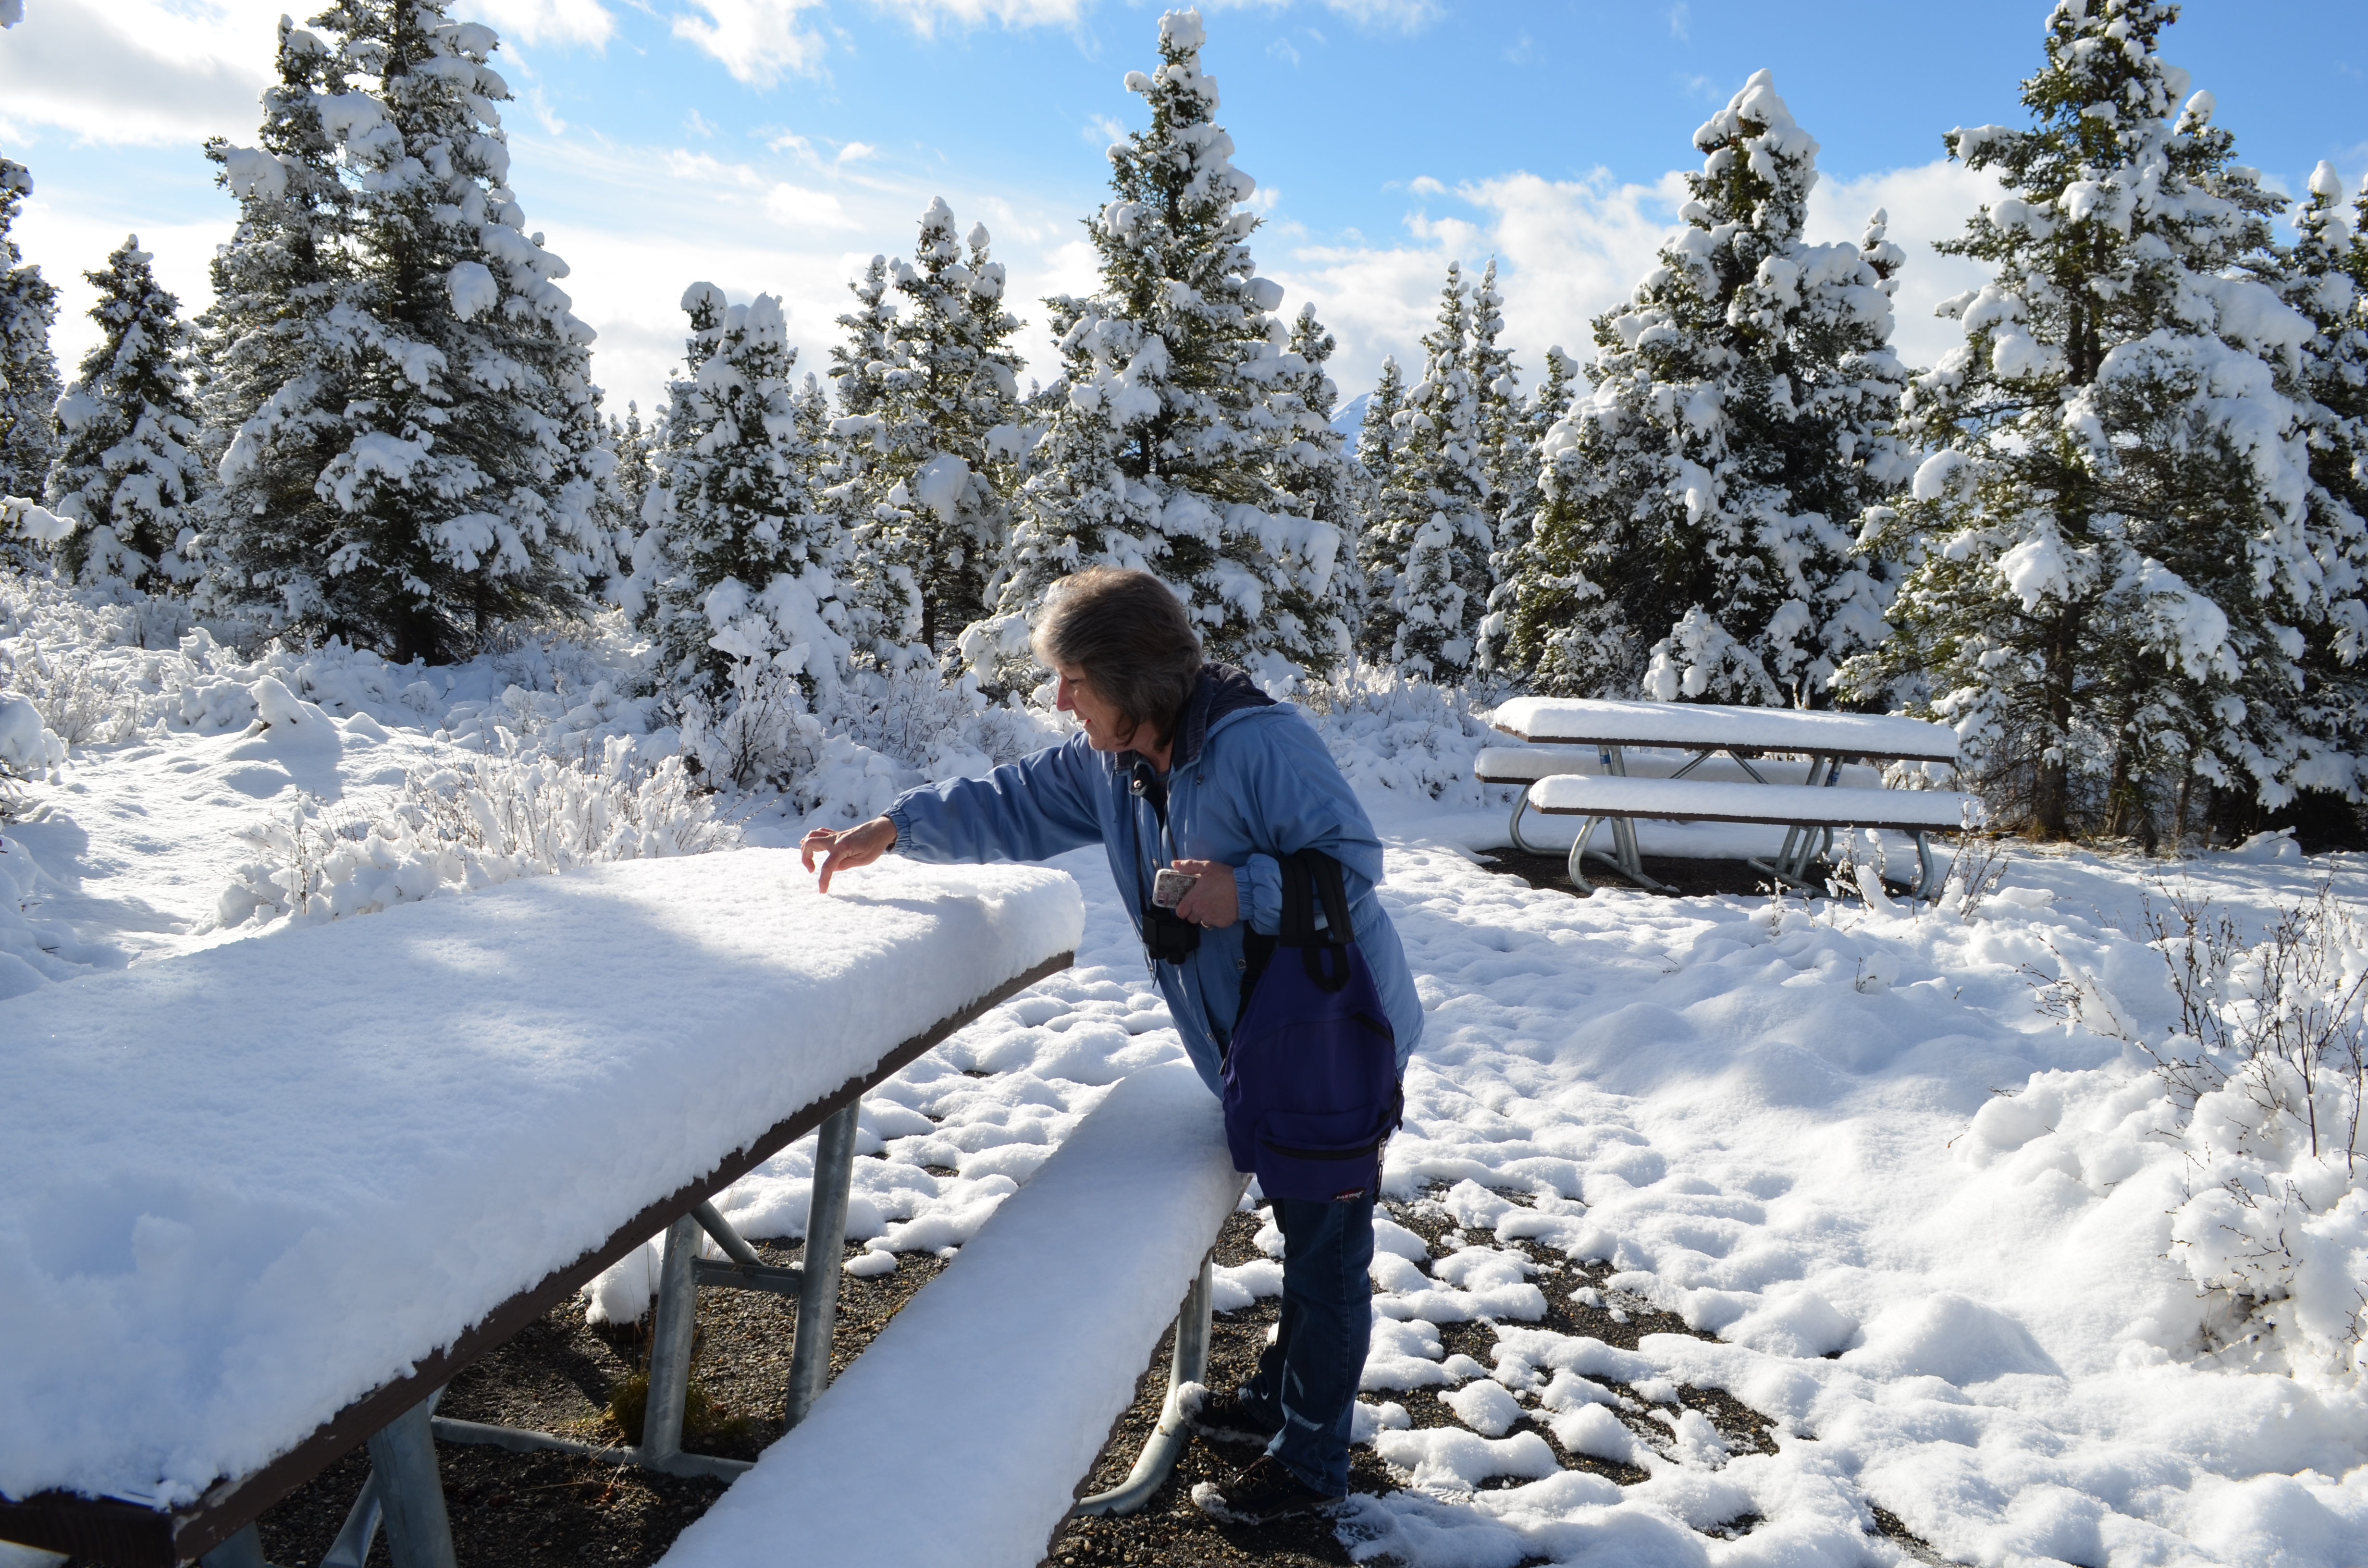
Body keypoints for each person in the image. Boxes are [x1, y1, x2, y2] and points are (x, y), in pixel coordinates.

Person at [801, 566, 1421, 1521]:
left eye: (1075, 681)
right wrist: (895, 828)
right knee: (1303, 1221)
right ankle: (1276, 1401)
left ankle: (1310, 1467)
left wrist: (1243, 894)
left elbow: (1353, 872)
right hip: (1258, 1037)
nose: (1059, 701)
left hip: (1335, 1032)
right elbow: (1005, 802)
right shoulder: (1114, 764)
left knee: (1327, 1241)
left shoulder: (1261, 745)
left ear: (1132, 680)